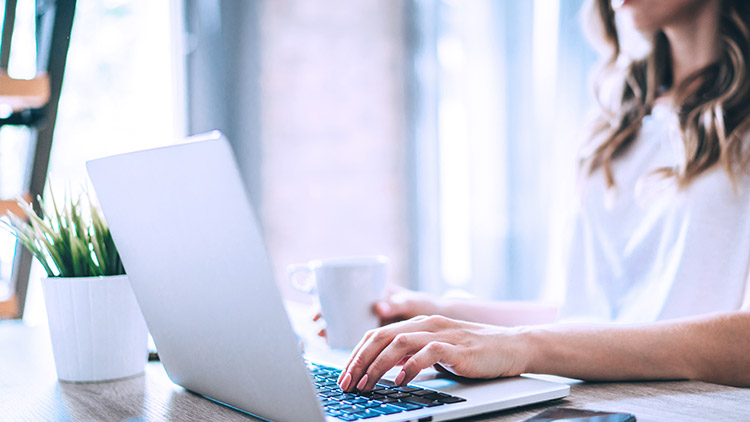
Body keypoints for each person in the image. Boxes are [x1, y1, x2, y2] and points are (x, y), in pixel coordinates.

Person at [334, 0, 750, 392]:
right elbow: (591, 315)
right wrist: (438, 314)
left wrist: (523, 346)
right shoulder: (618, 123)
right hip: (602, 399)